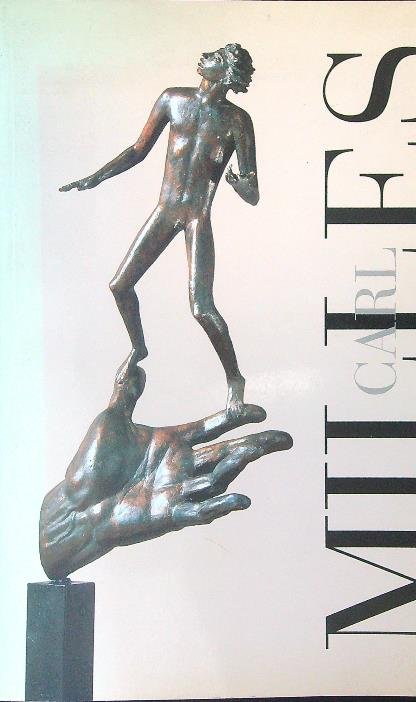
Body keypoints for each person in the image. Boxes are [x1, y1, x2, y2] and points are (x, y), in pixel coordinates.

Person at [60, 43, 259, 416]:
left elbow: (254, 195)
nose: (205, 56)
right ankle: (139, 347)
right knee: (120, 285)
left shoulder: (237, 121)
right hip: (166, 211)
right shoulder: (173, 99)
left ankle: (235, 378)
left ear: (226, 72)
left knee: (201, 307)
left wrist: (239, 185)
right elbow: (138, 150)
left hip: (197, 216)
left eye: (215, 57)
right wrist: (95, 177)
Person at [39, 366, 292, 580]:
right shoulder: (111, 431)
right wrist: (80, 503)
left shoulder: (141, 439)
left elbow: (65, 545)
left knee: (215, 477)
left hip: (70, 534)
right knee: (211, 481)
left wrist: (83, 515)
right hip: (74, 527)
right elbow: (85, 494)